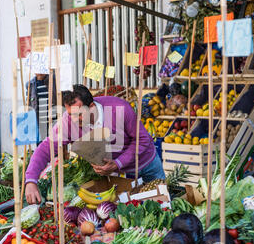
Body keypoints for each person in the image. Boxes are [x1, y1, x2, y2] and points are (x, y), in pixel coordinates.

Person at [24, 84, 165, 204]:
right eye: (70, 114)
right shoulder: (68, 121)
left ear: (91, 106)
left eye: (79, 114)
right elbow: (45, 148)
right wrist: (31, 180)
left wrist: (118, 163)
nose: (73, 120)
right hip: (118, 176)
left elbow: (143, 140)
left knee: (162, 204)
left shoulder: (119, 108)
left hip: (146, 164)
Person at [26, 73, 57, 141]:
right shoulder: (30, 84)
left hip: (53, 121)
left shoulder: (53, 81)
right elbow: (29, 103)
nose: (39, 72)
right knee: (41, 144)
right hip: (40, 122)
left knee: (54, 145)